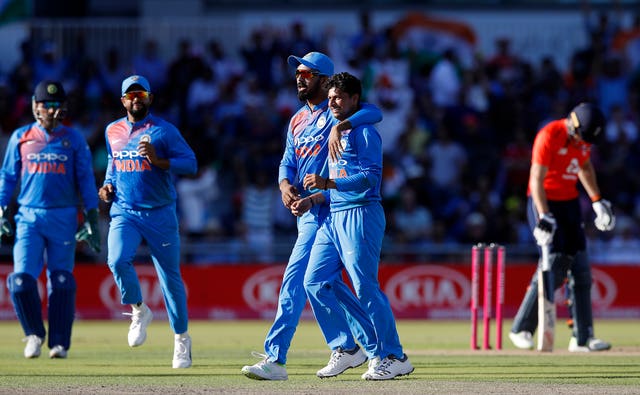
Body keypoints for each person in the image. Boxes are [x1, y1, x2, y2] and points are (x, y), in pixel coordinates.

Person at [241, 52, 382, 381]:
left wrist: (344, 124)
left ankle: (276, 359)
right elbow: (286, 161)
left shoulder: (337, 111)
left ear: (324, 79)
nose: (299, 77)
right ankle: (369, 346)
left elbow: (373, 112)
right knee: (326, 284)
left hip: (334, 208)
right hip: (307, 213)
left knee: (295, 282)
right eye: (298, 72)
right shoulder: (296, 120)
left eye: (307, 73)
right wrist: (283, 185)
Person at [301, 72, 414, 380]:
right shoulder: (340, 130)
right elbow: (336, 181)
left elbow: (370, 179)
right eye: (329, 98)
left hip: (361, 214)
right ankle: (348, 348)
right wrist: (315, 197)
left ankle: (394, 355)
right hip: (333, 216)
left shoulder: (365, 133)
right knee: (315, 281)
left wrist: (329, 182)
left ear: (353, 99)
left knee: (365, 286)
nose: (332, 103)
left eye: (338, 97)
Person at [99, 75, 197, 368]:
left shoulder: (164, 131)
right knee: (116, 260)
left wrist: (159, 161)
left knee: (169, 279)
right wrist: (107, 186)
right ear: (123, 101)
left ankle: (181, 339)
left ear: (150, 98)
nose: (135, 98)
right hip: (124, 211)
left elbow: (190, 164)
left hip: (160, 213)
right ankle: (138, 309)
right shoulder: (112, 130)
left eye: (141, 93)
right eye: (130, 95)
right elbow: (113, 163)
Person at [0, 80, 100, 359]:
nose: (52, 112)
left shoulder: (74, 139)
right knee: (20, 281)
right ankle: (33, 334)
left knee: (62, 280)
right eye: (46, 106)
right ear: (35, 107)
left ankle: (59, 343)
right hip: (29, 216)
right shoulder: (21, 137)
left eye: (57, 106)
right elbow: (7, 177)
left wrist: (90, 216)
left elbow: (85, 180)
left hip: (64, 216)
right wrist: (0, 211)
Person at [509, 102, 615, 352]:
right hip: (543, 200)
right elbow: (536, 179)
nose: (584, 144)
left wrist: (597, 201)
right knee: (555, 262)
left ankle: (582, 338)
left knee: (580, 265)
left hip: (568, 202)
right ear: (573, 124)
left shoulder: (583, 140)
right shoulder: (549, 135)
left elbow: (585, 167)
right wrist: (544, 216)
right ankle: (521, 328)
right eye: (582, 138)